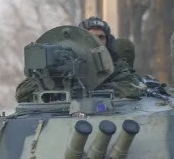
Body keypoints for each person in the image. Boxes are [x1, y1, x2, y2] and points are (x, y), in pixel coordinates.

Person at [14, 17, 144, 103]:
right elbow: (22, 94)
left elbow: (133, 88)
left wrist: (93, 91)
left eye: (101, 37)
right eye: (91, 36)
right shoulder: (59, 64)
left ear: (108, 41)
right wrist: (52, 83)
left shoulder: (115, 67)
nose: (97, 41)